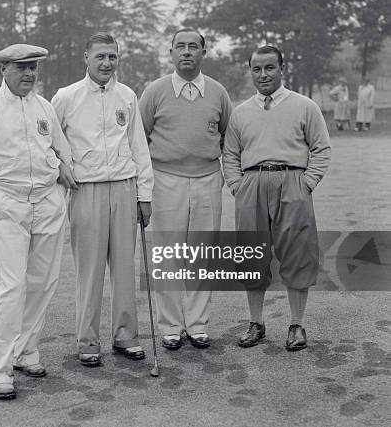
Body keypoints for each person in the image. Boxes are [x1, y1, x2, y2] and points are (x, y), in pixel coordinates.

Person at [0, 44, 76, 401]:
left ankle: (26, 351)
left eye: (33, 68)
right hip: (8, 204)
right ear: (2, 69)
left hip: (48, 202)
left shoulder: (43, 106)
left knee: (44, 281)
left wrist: (64, 167)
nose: (29, 74)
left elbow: (59, 146)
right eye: (21, 67)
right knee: (12, 286)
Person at [51, 32, 154, 367]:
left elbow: (138, 145)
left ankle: (126, 337)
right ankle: (88, 340)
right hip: (86, 190)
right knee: (90, 270)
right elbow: (49, 143)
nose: (107, 63)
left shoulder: (126, 95)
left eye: (112, 56)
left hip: (124, 187)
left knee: (125, 267)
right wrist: (59, 166)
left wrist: (145, 194)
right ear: (86, 57)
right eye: (100, 57)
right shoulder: (66, 98)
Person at [223, 45, 331, 352]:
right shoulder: (241, 112)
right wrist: (236, 185)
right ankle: (256, 322)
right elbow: (230, 153)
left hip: (292, 181)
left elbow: (321, 148)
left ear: (281, 69)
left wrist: (306, 183)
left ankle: (296, 325)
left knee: (297, 252)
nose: (263, 75)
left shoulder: (304, 106)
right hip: (251, 184)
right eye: (256, 69)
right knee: (251, 254)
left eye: (269, 68)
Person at [139, 28, 233, 351]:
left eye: (194, 46)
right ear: (170, 53)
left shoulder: (218, 92)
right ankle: (170, 326)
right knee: (168, 254)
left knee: (203, 253)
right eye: (180, 47)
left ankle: (197, 324)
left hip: (208, 178)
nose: (187, 52)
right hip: (165, 178)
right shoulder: (155, 91)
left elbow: (226, 136)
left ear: (204, 52)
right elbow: (140, 138)